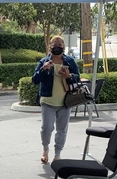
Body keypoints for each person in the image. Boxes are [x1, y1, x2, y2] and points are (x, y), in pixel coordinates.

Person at [31, 35, 80, 164]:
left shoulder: (69, 61)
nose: (57, 48)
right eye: (54, 46)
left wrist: (69, 75)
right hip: (47, 101)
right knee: (46, 128)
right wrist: (43, 69)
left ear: (63, 47)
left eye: (60, 46)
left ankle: (57, 154)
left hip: (65, 101)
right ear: (50, 47)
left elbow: (78, 78)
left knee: (62, 130)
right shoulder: (44, 62)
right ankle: (45, 149)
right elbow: (34, 80)